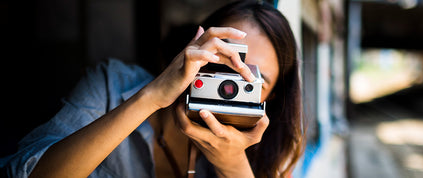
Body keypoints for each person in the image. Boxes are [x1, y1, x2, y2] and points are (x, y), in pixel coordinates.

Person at [0, 1, 304, 177]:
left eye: (251, 81)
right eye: (225, 61)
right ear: (196, 47)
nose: (230, 85)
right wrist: (150, 98)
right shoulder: (111, 84)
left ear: (270, 97)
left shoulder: (268, 153)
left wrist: (234, 167)